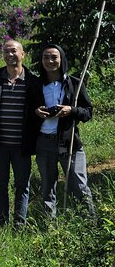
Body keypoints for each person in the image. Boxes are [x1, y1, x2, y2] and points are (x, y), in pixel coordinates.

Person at [0, 40, 41, 228]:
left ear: (22, 54)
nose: (10, 54)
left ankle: (19, 223)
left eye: (14, 51)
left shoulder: (32, 82)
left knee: (22, 184)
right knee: (0, 184)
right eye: (6, 51)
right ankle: (2, 220)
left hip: (22, 144)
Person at [32, 44, 95, 218]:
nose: (50, 61)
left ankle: (90, 223)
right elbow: (28, 111)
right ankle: (49, 226)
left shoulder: (74, 83)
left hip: (69, 142)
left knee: (79, 185)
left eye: (54, 57)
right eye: (46, 57)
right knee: (47, 188)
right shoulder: (36, 85)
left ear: (62, 59)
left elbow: (87, 112)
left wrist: (71, 110)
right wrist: (36, 112)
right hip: (44, 142)